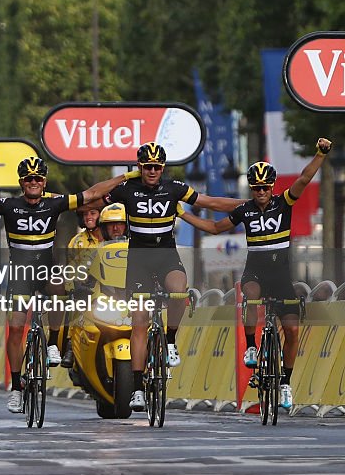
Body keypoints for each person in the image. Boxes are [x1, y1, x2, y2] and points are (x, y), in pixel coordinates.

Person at [0, 157, 137, 414]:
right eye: (29, 178)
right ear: (22, 182)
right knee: (17, 328)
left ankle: (54, 343)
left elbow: (92, 193)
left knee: (58, 285)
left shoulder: (55, 203)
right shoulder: (9, 205)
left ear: (44, 182)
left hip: (45, 268)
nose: (33, 182)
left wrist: (126, 178)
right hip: (20, 272)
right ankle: (17, 390)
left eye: (38, 178)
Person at [178, 138, 331, 410]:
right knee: (250, 293)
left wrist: (320, 153)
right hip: (255, 273)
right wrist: (183, 214)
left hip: (281, 276)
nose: (260, 191)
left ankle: (284, 383)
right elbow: (214, 228)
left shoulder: (283, 203)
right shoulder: (244, 210)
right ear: (251, 188)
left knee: (293, 330)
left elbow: (305, 177)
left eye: (265, 187)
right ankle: (251, 345)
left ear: (272, 187)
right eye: (256, 187)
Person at [107, 142, 242, 413]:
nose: (152, 171)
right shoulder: (127, 190)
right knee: (139, 323)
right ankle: (136, 388)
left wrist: (249, 204)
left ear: (163, 168)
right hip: (139, 261)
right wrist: (126, 176)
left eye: (157, 167)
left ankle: (170, 341)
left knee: (180, 290)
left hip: (167, 255)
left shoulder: (174, 189)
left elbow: (210, 202)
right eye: (147, 167)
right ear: (140, 167)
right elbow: (95, 195)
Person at [60, 199, 105, 368]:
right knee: (76, 304)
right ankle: (71, 345)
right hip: (86, 290)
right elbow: (70, 270)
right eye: (85, 214)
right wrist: (73, 287)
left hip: (111, 289)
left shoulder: (115, 238)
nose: (88, 217)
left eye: (92, 213)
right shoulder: (76, 241)